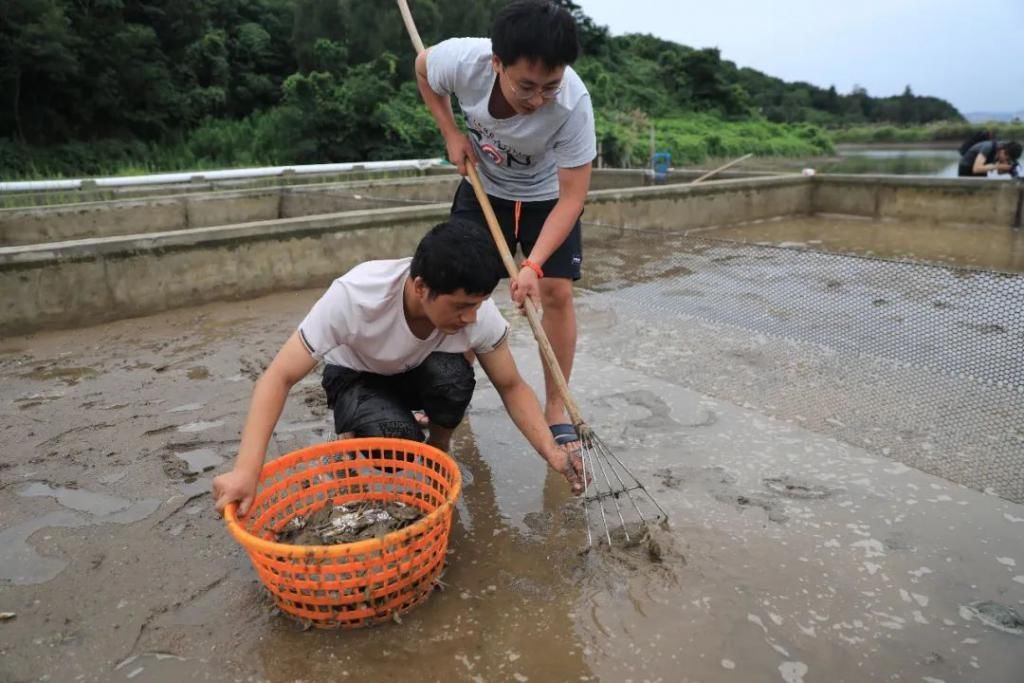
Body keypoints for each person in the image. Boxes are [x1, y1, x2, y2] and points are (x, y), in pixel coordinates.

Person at [212, 220, 584, 516]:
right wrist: (247, 471)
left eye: (478, 303)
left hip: (415, 371)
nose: (470, 317)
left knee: (453, 378)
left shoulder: (476, 314)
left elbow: (511, 385)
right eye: (460, 306)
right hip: (357, 376)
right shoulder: (355, 296)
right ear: (420, 287)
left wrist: (551, 451)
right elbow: (278, 377)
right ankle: (353, 436)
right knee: (397, 447)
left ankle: (439, 451)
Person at [414, 0, 596, 452]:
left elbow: (572, 198)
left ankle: (557, 406)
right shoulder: (462, 61)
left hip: (546, 196)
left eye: (550, 87)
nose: (537, 100)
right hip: (484, 186)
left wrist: (533, 266)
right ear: (497, 63)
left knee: (556, 292)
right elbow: (422, 70)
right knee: (461, 285)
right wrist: (451, 133)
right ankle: (448, 389)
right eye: (526, 86)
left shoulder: (573, 103)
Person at [958, 138, 1023, 177]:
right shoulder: (988, 147)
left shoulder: (1005, 152)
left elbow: (999, 172)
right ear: (1003, 151)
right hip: (966, 167)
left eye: (1009, 160)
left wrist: (1011, 170)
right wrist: (998, 166)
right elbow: (976, 169)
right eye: (1007, 159)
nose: (1006, 161)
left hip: (981, 168)